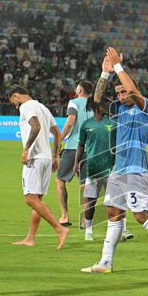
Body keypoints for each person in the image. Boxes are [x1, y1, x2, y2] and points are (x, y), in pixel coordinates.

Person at [82, 47, 148, 276]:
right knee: (113, 213)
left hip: (135, 170)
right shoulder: (118, 110)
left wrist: (118, 67)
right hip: (119, 169)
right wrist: (105, 74)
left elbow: (133, 90)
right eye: (117, 93)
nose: (120, 96)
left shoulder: (146, 107)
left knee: (140, 215)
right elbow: (96, 101)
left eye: (123, 92)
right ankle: (106, 262)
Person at [8, 86, 69, 249]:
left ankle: (59, 228)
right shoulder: (43, 107)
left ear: (16, 96)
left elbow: (35, 126)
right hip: (47, 158)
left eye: (13, 101)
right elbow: (56, 132)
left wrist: (26, 149)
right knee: (38, 200)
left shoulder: (26, 107)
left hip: (34, 158)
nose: (14, 105)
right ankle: (30, 238)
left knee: (30, 198)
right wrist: (55, 155)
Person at [74, 97, 115, 242]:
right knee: (90, 201)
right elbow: (80, 145)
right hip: (93, 167)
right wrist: (76, 163)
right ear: (98, 107)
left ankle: (119, 231)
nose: (108, 107)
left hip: (111, 168)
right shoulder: (86, 124)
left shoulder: (112, 123)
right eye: (105, 105)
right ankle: (89, 230)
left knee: (114, 201)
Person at [55, 80, 91, 228]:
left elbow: (70, 122)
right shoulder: (95, 104)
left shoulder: (74, 102)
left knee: (60, 180)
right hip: (89, 148)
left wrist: (59, 139)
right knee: (84, 184)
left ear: (80, 89)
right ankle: (84, 220)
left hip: (73, 147)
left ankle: (64, 215)